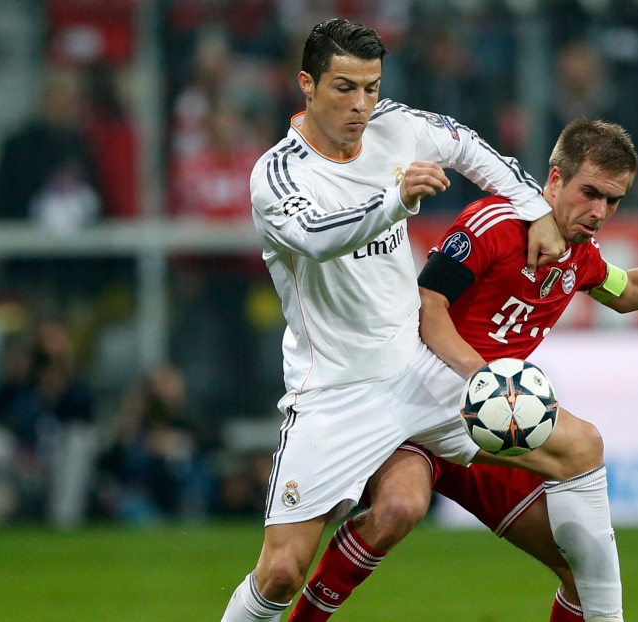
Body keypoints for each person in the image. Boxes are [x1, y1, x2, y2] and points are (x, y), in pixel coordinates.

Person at [289, 120, 638, 622]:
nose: (599, 211)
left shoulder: (580, 254)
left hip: (489, 425)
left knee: (579, 571)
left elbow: (629, 291)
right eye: (589, 192)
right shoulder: (493, 223)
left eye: (612, 201)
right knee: (398, 509)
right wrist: (484, 377)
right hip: (420, 403)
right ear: (554, 180)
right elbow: (429, 306)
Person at [220, 18, 571, 622]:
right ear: (306, 84)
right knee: (279, 571)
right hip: (334, 390)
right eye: (343, 88)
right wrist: (395, 200)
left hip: (416, 367)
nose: (360, 105)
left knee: (575, 450)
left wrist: (534, 207)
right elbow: (314, 236)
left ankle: (599, 593)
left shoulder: (396, 127)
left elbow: (470, 149)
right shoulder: (277, 174)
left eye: (370, 87)